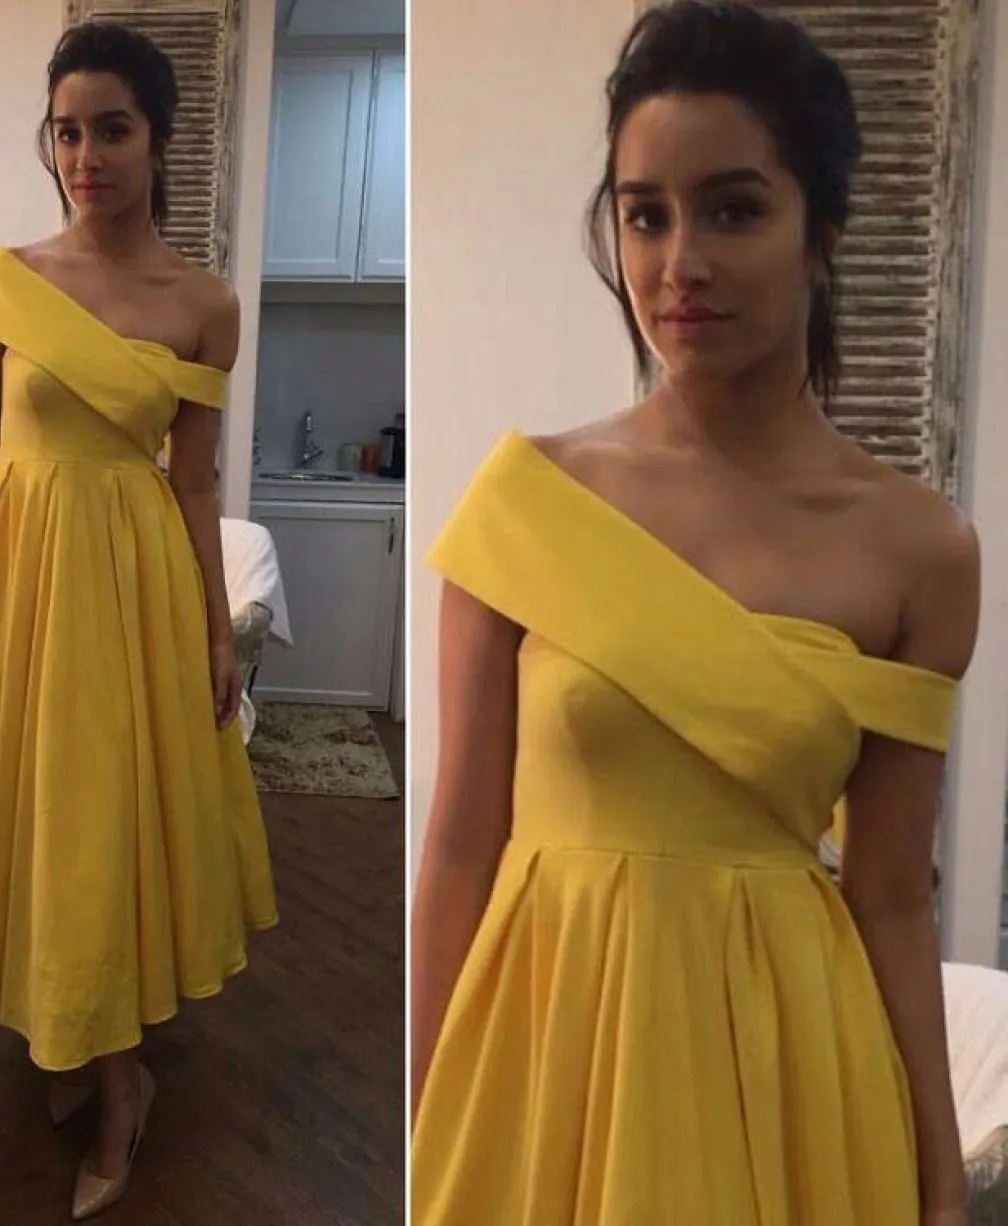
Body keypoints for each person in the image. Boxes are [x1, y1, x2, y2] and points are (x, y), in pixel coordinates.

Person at [410, 3, 980, 1224]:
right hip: (547, 1056)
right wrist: (420, 1119)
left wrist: (938, 1176)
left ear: (823, 230)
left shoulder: (921, 550)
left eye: (733, 209)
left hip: (787, 1072)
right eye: (645, 214)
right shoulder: (531, 504)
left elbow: (890, 892)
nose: (680, 263)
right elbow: (460, 842)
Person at [0, 21, 277, 1221]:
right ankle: (74, 1034)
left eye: (112, 130)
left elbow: (193, 483)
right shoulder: (7, 282)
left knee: (105, 819)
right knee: (35, 814)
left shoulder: (204, 302)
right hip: (20, 581)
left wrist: (214, 631)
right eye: (67, 132)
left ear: (158, 140)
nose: (86, 156)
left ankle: (123, 1077)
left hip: (133, 588)